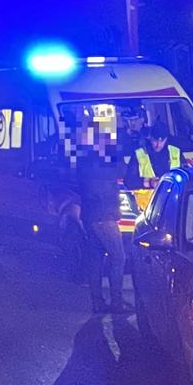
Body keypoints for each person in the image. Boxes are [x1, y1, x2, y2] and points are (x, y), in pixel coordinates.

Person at [75, 127, 127, 313]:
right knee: (119, 257)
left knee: (96, 259)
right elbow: (122, 169)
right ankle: (117, 303)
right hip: (104, 217)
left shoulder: (85, 161)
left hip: (90, 216)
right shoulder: (103, 163)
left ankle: (97, 302)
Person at [125, 125, 182, 190]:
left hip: (172, 197)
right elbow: (129, 182)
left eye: (162, 141)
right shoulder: (139, 154)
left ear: (166, 139)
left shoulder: (176, 152)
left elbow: (186, 176)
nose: (158, 145)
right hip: (148, 198)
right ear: (150, 138)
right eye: (155, 141)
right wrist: (149, 182)